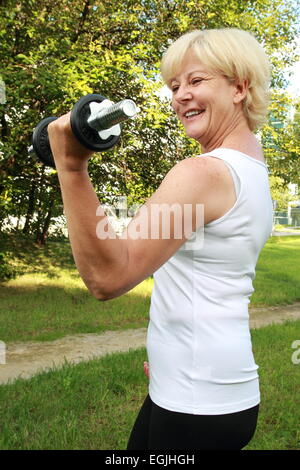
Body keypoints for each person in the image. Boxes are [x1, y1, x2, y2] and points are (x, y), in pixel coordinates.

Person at [48, 28, 273, 450]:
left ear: (240, 87)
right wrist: (172, 359)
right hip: (222, 389)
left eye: (196, 80)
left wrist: (72, 167)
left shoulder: (202, 173)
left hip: (196, 404)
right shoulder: (253, 172)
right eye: (175, 86)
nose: (180, 95)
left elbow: (109, 276)